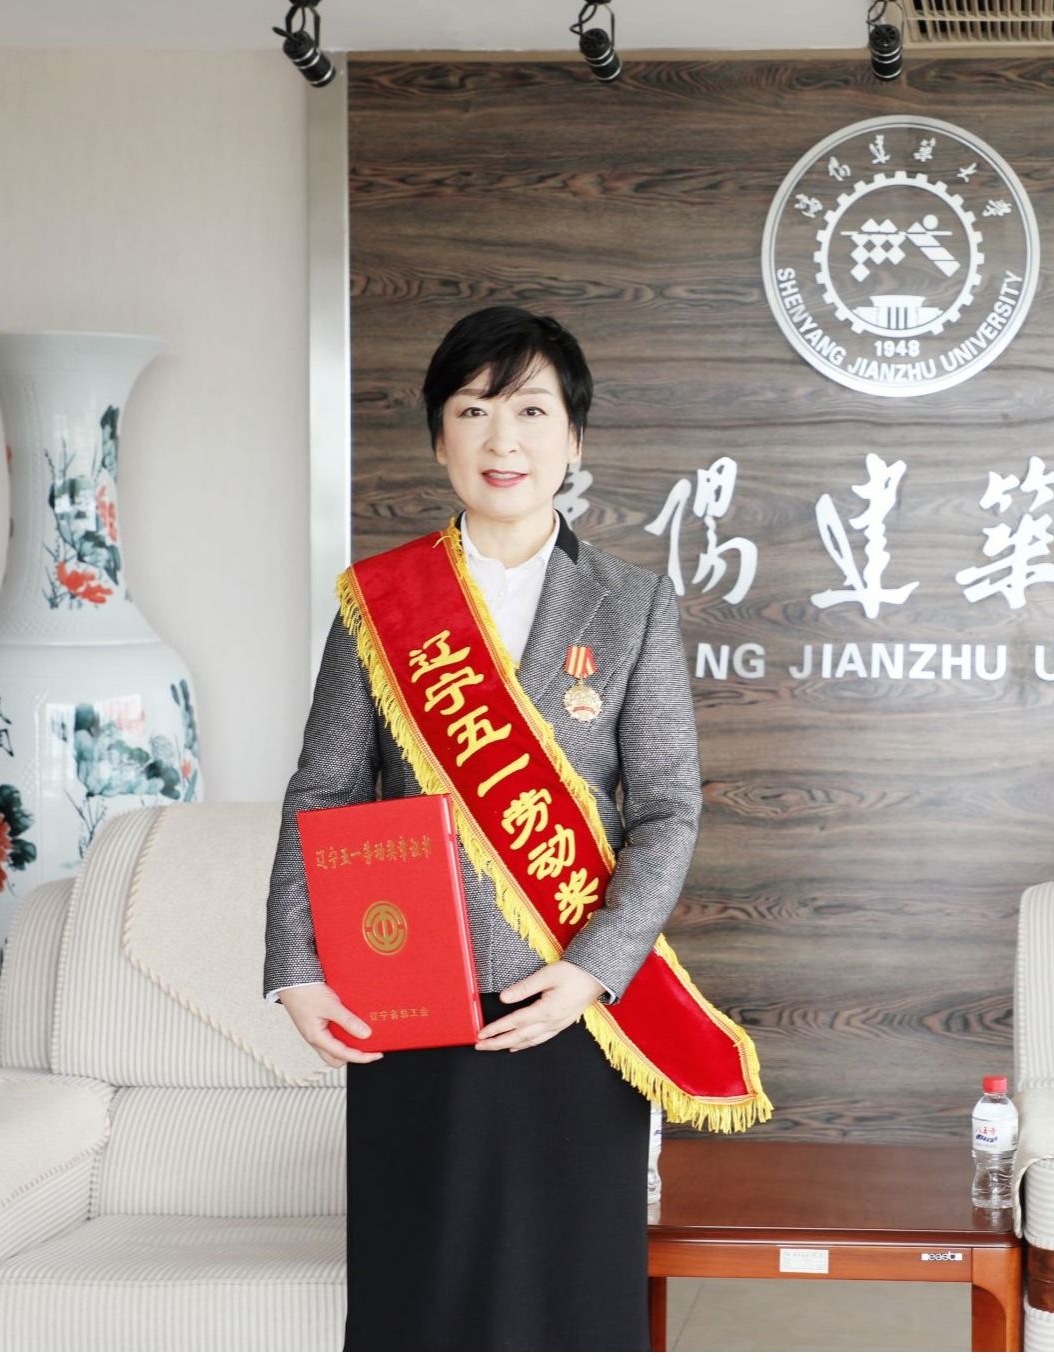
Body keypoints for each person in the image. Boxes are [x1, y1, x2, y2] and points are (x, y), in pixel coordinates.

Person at [261, 305, 768, 1351]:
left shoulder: (630, 604)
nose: (503, 439)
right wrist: (295, 966)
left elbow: (667, 807)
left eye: (531, 411)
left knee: (566, 1294)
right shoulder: (380, 600)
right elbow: (322, 790)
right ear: (437, 437)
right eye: (473, 410)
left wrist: (592, 970)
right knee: (423, 1286)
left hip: (571, 1004)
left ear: (573, 439)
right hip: (411, 995)